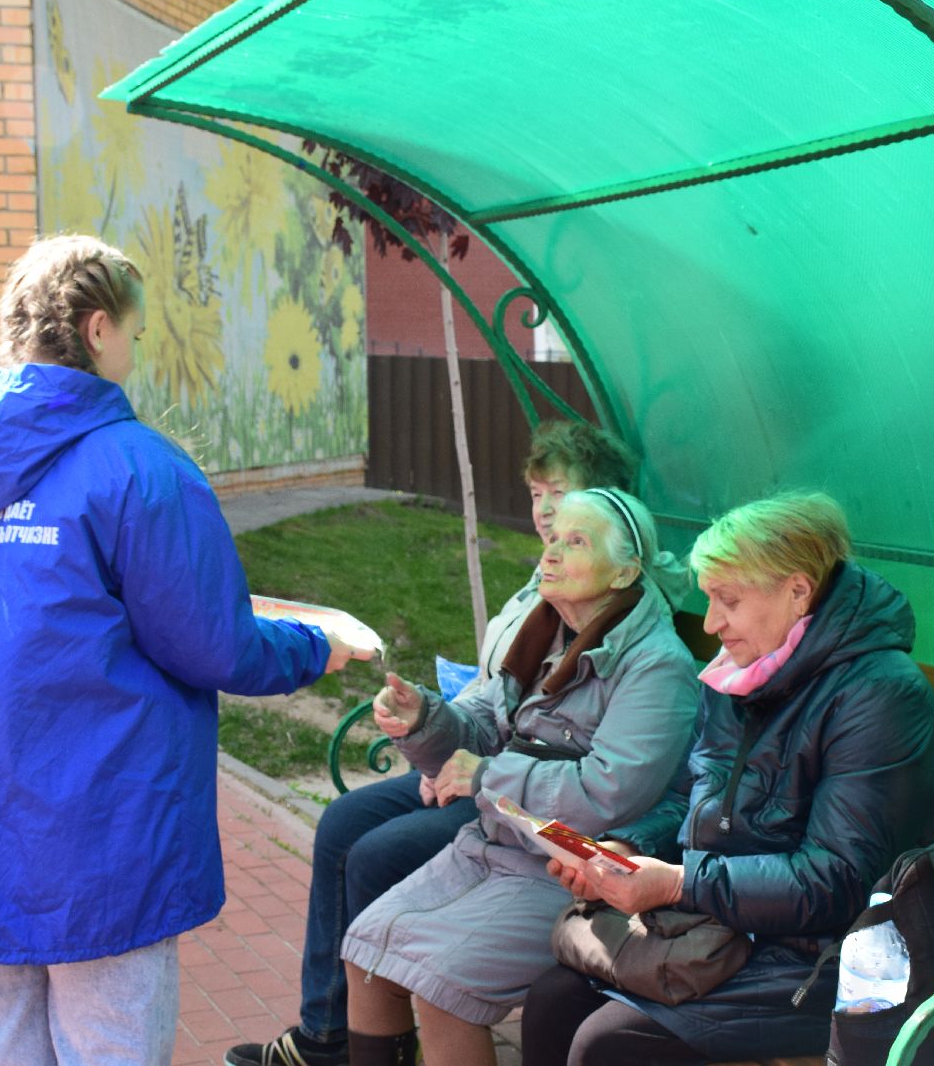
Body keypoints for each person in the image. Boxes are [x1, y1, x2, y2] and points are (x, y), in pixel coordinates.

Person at [0, 234, 372, 1064]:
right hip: (100, 827)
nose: (135, 356)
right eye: (135, 335)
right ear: (98, 328)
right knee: (110, 1043)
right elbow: (211, 643)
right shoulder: (140, 469)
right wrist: (316, 646)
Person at [226, 421, 637, 1066]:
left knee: (373, 855)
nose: (545, 515)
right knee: (343, 821)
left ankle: (359, 1033)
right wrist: (428, 727)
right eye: (536, 495)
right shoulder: (540, 591)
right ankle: (328, 1033)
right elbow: (493, 696)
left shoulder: (627, 631)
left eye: (561, 496)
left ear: (611, 514)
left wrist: (475, 770)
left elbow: (599, 776)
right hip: (493, 779)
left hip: (524, 810)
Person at [522, 491, 934, 1066]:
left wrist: (678, 885)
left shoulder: (879, 696)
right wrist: (624, 851)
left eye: (728, 600)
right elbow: (691, 796)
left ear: (798, 591)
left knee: (610, 1044)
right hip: (734, 928)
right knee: (552, 1001)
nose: (711, 623)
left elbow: (839, 880)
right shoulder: (744, 673)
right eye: (709, 599)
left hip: (835, 956)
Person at [338, 488, 699, 1066]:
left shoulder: (656, 666)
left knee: (441, 986)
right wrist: (424, 721)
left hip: (573, 869)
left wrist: (488, 777)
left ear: (624, 571)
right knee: (364, 954)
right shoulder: (543, 633)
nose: (551, 551)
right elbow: (484, 724)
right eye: (553, 537)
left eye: (576, 542)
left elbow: (605, 794)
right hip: (496, 844)